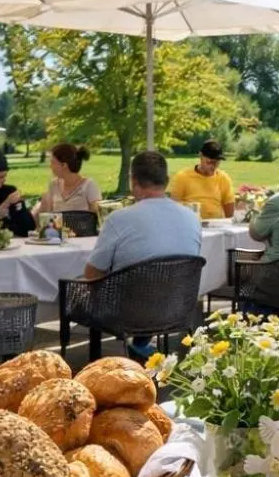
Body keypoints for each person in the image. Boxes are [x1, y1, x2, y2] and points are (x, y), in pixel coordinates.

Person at [84, 151, 202, 362]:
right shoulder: (192, 218)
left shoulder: (118, 219)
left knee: (81, 288)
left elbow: (92, 274)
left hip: (128, 314)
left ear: (134, 182)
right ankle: (141, 345)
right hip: (177, 306)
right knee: (148, 285)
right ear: (166, 181)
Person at [168, 140, 236, 219]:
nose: (213, 166)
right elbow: (174, 207)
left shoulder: (223, 178)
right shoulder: (183, 177)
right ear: (200, 156)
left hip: (216, 225)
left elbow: (229, 213)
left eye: (216, 163)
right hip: (190, 223)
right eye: (209, 162)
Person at [33, 143, 101, 217]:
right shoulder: (53, 184)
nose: (50, 166)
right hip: (56, 228)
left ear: (64, 165)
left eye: (52, 162)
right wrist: (43, 207)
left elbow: (97, 217)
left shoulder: (89, 185)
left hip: (82, 228)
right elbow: (46, 219)